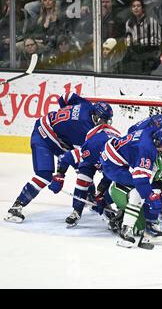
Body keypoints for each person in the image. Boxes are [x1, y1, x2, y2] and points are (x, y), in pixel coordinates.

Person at [4, 92, 113, 223]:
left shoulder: (87, 105)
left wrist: (65, 118)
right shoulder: (83, 129)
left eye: (108, 120)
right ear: (95, 116)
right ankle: (16, 207)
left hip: (58, 136)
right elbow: (75, 157)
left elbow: (66, 97)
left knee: (81, 166)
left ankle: (89, 198)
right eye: (103, 120)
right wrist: (60, 174)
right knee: (44, 174)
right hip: (43, 136)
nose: (105, 123)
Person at [100, 123, 162, 248]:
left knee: (147, 186)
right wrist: (151, 197)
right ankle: (127, 230)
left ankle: (148, 226)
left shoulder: (152, 132)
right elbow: (141, 181)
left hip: (113, 151)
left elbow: (132, 128)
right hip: (112, 165)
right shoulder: (146, 150)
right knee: (139, 193)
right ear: (157, 143)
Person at [47, 119, 121, 227]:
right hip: (94, 150)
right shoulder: (90, 148)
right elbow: (64, 158)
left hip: (108, 153)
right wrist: (59, 175)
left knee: (115, 183)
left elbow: (108, 178)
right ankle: (77, 211)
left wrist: (100, 194)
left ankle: (111, 209)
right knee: (83, 178)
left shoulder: (119, 155)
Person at [121, 0, 162, 75]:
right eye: (134, 6)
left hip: (149, 55)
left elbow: (157, 40)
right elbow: (128, 37)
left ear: (142, 8)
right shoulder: (129, 23)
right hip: (135, 56)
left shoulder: (151, 22)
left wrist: (140, 42)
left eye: (138, 6)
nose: (136, 8)